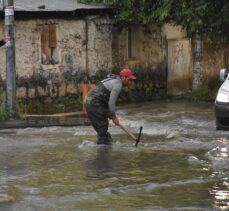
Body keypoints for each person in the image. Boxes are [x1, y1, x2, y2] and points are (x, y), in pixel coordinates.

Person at [84, 69, 136, 145]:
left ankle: (106, 144)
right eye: (129, 79)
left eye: (131, 80)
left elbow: (105, 100)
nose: (130, 82)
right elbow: (111, 102)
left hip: (88, 101)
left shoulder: (113, 79)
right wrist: (113, 116)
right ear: (123, 77)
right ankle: (103, 149)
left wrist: (110, 114)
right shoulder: (118, 84)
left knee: (101, 128)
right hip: (94, 102)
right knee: (103, 126)